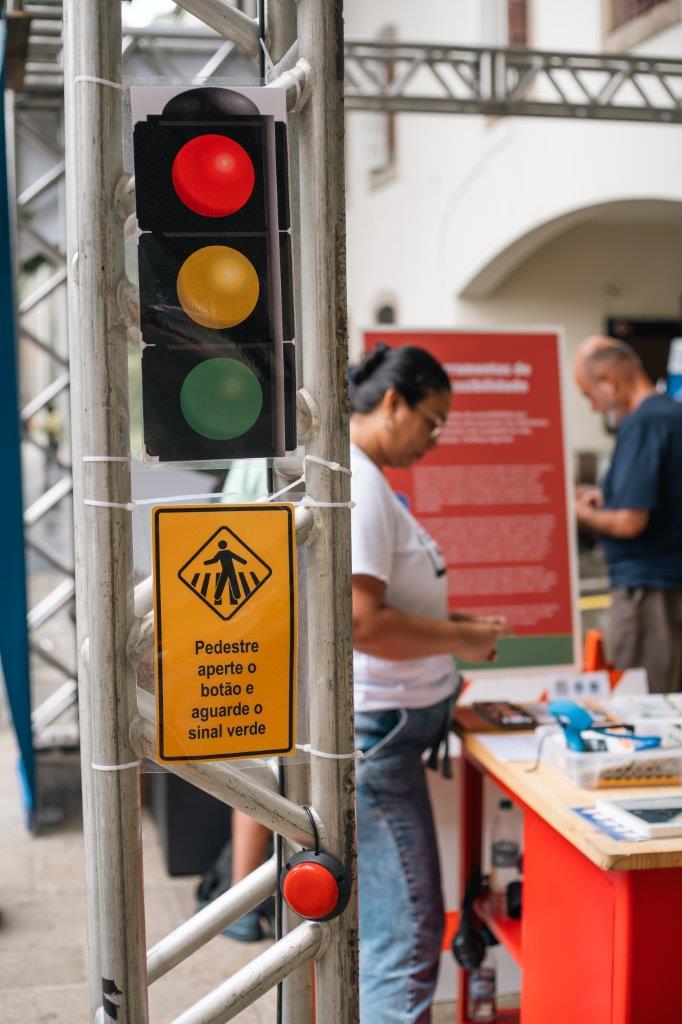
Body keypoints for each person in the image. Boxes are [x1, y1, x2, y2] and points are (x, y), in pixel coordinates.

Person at [349, 343, 507, 1024]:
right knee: (408, 939)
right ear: (392, 403)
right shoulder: (359, 485)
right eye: (432, 422)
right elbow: (362, 623)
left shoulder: (368, 480)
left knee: (397, 930)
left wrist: (451, 624)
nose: (435, 440)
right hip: (379, 742)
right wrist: (464, 638)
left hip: (388, 738)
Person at [573, 338, 682, 693]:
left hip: (648, 595)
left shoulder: (644, 424)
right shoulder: (669, 415)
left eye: (591, 394)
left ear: (609, 380)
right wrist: (605, 498)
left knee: (643, 708)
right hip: (663, 587)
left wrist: (579, 514)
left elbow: (629, 521)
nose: (593, 407)